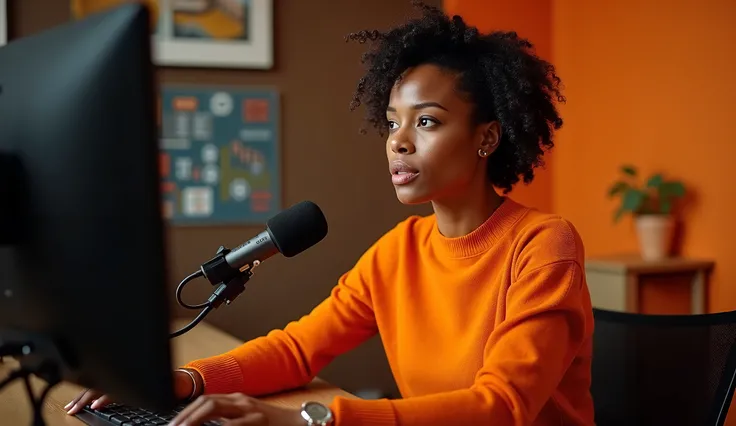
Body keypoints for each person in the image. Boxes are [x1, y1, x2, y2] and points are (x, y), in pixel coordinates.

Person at [66, 2, 595, 425]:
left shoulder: (544, 245)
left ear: (487, 138)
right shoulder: (400, 251)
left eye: (427, 122)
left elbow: (503, 407)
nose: (399, 144)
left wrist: (314, 420)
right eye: (392, 124)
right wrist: (179, 380)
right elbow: (298, 350)